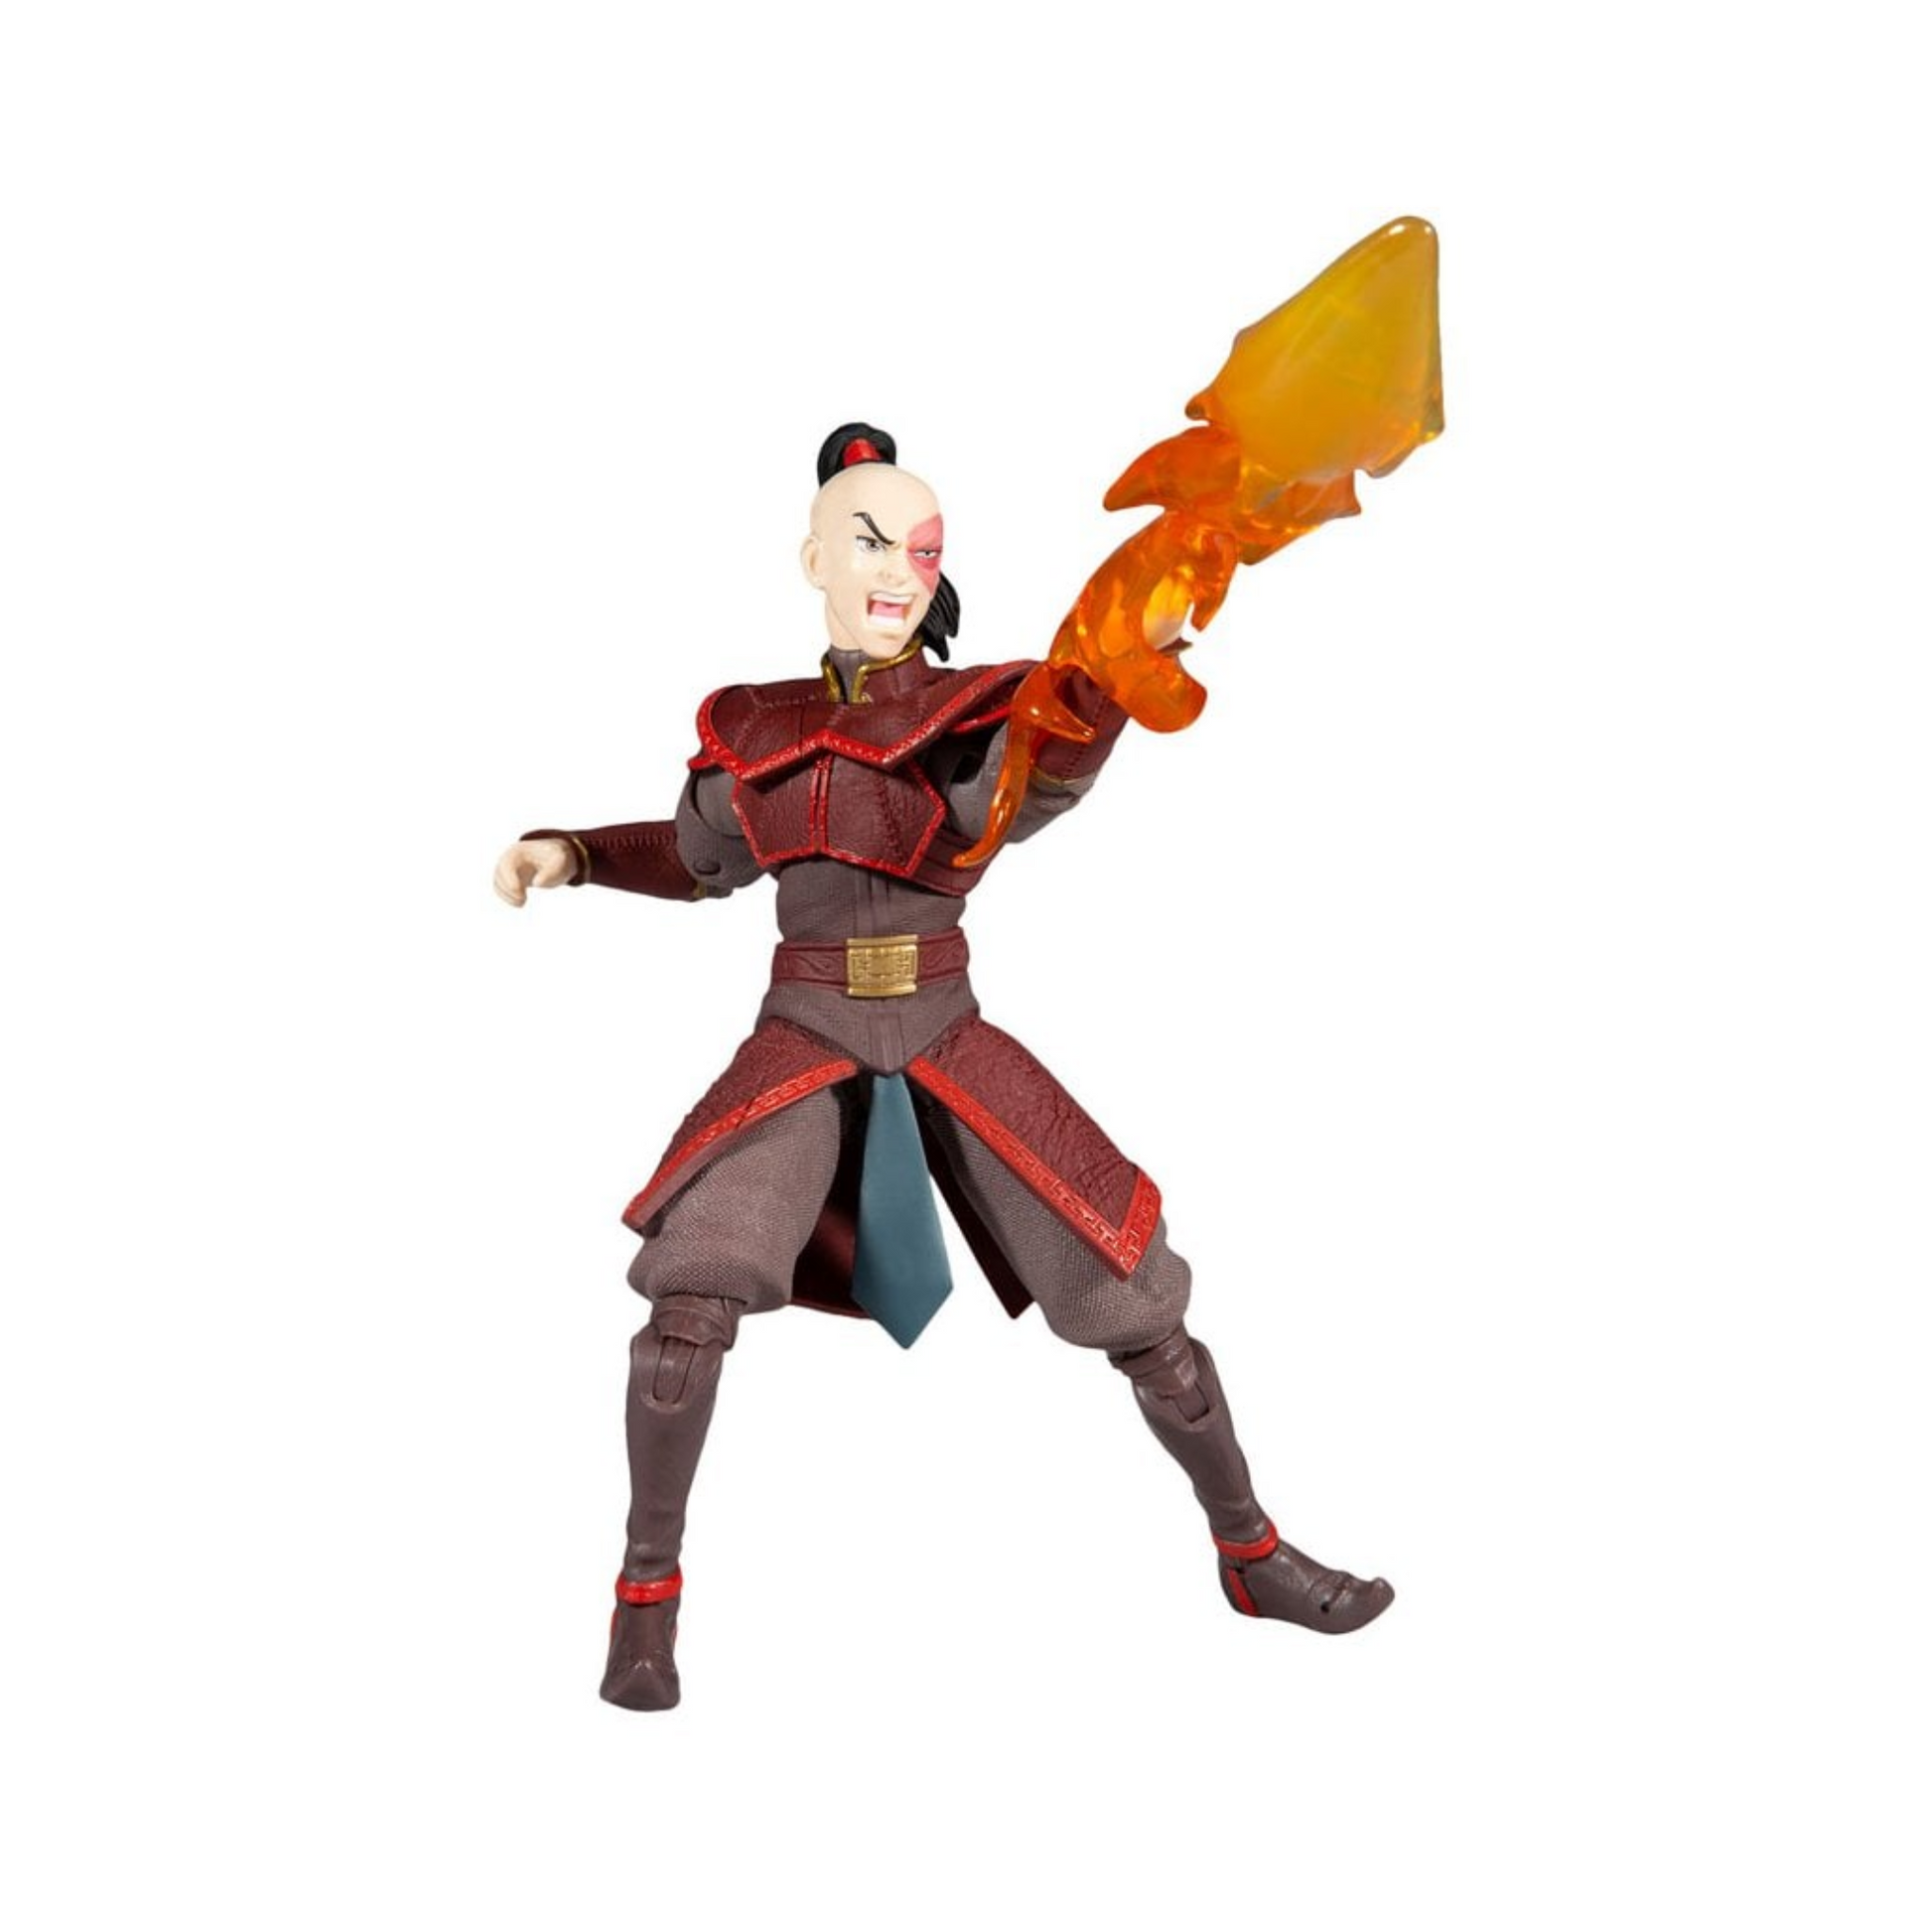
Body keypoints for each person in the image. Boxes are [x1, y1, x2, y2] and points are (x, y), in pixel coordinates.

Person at [494, 423, 1392, 1711]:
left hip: (942, 1024)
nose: (896, 570)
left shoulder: (978, 715)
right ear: (812, 557)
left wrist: (1107, 676)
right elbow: (697, 860)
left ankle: (1250, 1554)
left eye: (921, 549)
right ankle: (645, 1603)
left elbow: (1030, 775)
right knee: (687, 1309)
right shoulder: (752, 728)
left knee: (1132, 1290)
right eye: (867, 542)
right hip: (803, 1035)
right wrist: (575, 852)